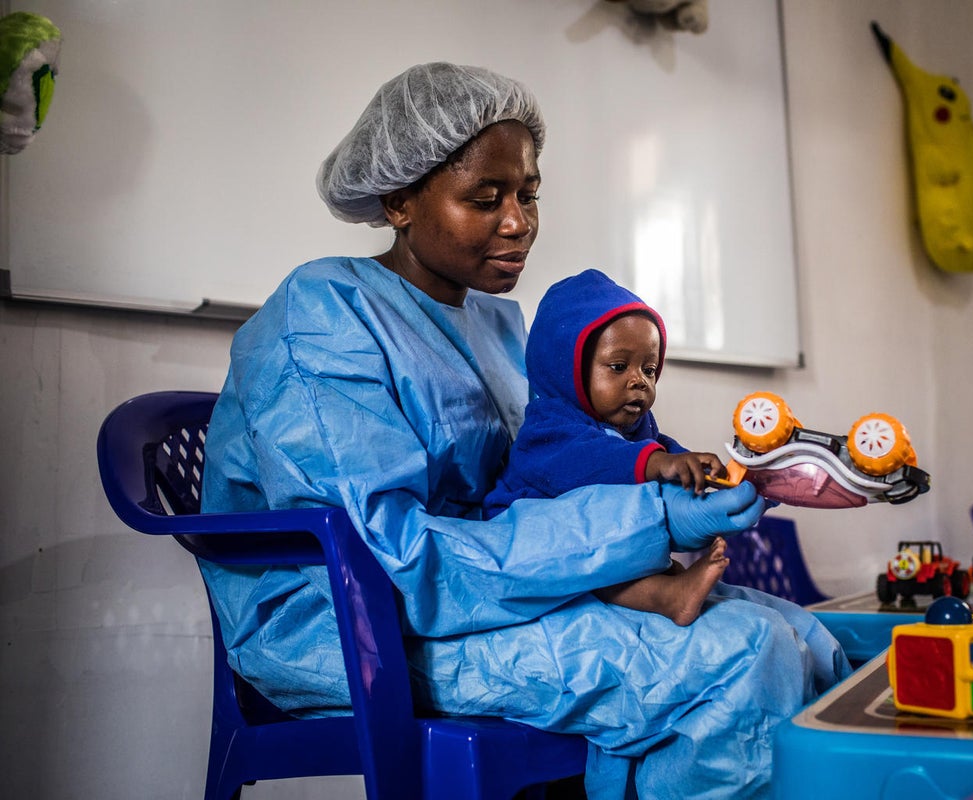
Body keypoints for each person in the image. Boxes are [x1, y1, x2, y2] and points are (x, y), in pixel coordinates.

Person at [200, 61, 851, 800]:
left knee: (809, 640)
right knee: (744, 657)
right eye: (486, 198)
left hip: (486, 594)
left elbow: (545, 478)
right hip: (352, 628)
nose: (518, 223)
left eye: (528, 194)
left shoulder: (497, 325)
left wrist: (710, 486)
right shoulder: (322, 315)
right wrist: (651, 518)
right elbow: (392, 559)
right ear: (399, 201)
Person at [484, 268, 732, 626]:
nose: (639, 381)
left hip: (592, 537)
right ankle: (667, 597)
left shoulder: (634, 422)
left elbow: (659, 448)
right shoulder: (548, 426)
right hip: (526, 539)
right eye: (618, 366)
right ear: (567, 369)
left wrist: (702, 471)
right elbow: (592, 460)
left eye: (649, 369)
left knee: (638, 560)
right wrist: (659, 463)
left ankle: (669, 584)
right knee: (595, 570)